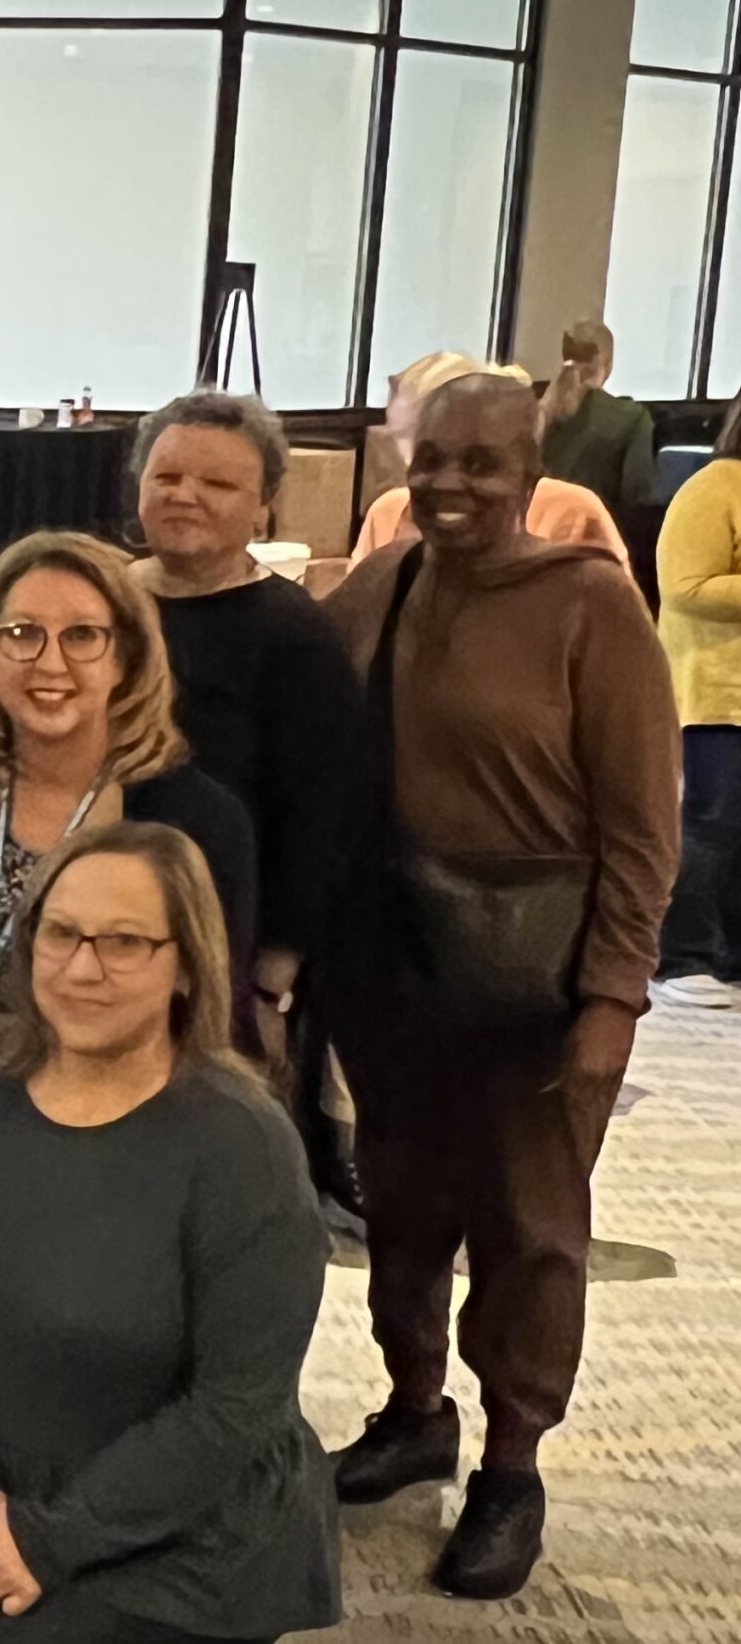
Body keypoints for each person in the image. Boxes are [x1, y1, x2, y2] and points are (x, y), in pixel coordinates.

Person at [321, 375, 678, 1599]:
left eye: (481, 462)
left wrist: (613, 999)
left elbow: (644, 831)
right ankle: (413, 1409)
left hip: (539, 983)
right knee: (402, 1203)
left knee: (529, 1233)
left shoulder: (591, 606)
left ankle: (511, 1465)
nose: (451, 483)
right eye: (433, 459)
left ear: (532, 472)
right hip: (395, 968)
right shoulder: (384, 581)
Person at [0, 820, 339, 1644]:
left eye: (124, 942)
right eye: (61, 934)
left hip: (175, 1551)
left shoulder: (243, 1144)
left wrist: (44, 1539)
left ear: (187, 962)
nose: (83, 967)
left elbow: (234, 1406)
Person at [0, 531, 256, 1167]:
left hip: (133, 1143)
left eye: (82, 636)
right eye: (22, 634)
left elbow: (213, 1024)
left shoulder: (196, 820)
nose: (50, 663)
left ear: (124, 658)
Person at [127, 391, 364, 1063]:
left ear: (264, 505)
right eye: (167, 476)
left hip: (224, 944)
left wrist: (272, 978)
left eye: (218, 483)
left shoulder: (293, 636)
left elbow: (322, 816)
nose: (185, 495)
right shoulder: (105, 601)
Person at [351, 353, 628, 565]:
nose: (446, 480)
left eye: (474, 458)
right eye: (406, 439)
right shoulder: (387, 513)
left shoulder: (570, 511)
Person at [652, 394, 741, 1008]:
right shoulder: (713, 487)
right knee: (709, 828)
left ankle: (730, 954)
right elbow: (685, 587)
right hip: (715, 694)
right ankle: (683, 955)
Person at [537, 320, 657, 521]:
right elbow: (637, 497)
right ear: (608, 364)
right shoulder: (632, 418)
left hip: (531, 529)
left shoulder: (534, 409)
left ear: (565, 355)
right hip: (593, 532)